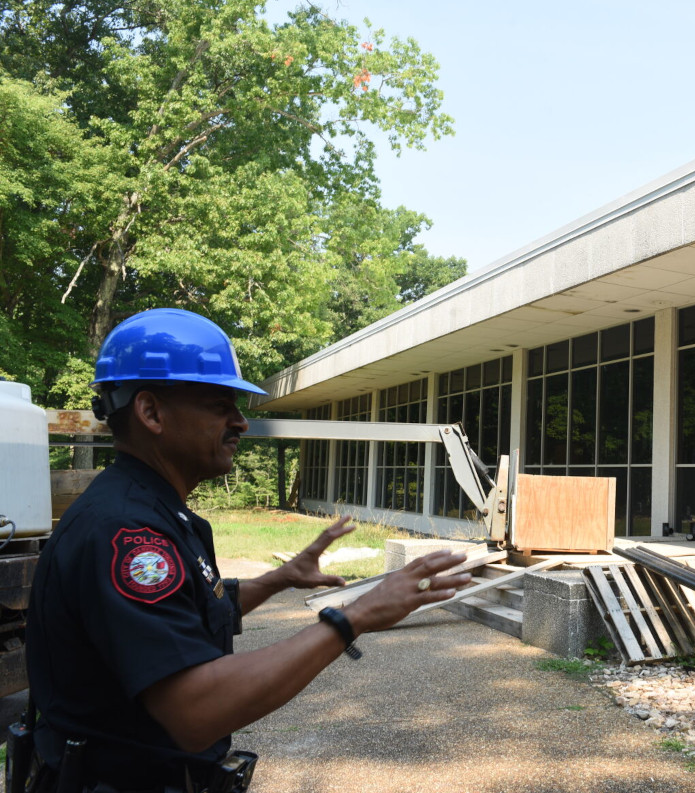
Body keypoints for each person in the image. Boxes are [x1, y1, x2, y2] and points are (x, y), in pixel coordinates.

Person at [22, 308, 473, 793]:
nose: (240, 422)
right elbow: (196, 713)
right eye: (220, 404)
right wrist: (355, 616)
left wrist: (279, 579)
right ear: (150, 412)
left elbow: (184, 616)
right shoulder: (126, 533)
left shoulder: (154, 511)